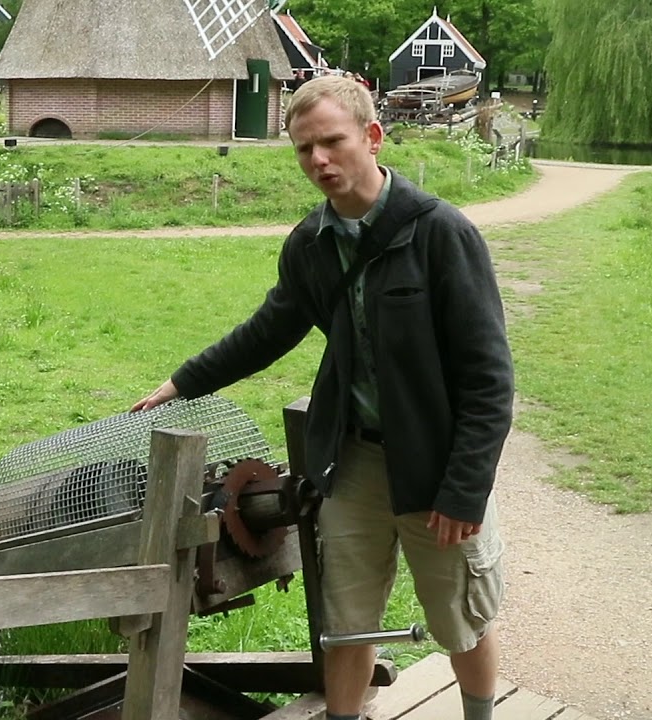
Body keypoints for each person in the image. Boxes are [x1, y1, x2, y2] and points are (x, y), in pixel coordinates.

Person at [130, 75, 514, 720]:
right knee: (348, 617)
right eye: (305, 149)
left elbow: (489, 378)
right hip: (355, 462)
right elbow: (268, 329)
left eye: (332, 142)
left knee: (459, 615)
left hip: (437, 465)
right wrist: (181, 382)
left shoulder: (440, 234)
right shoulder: (310, 245)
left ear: (371, 135)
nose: (319, 161)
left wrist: (465, 487)